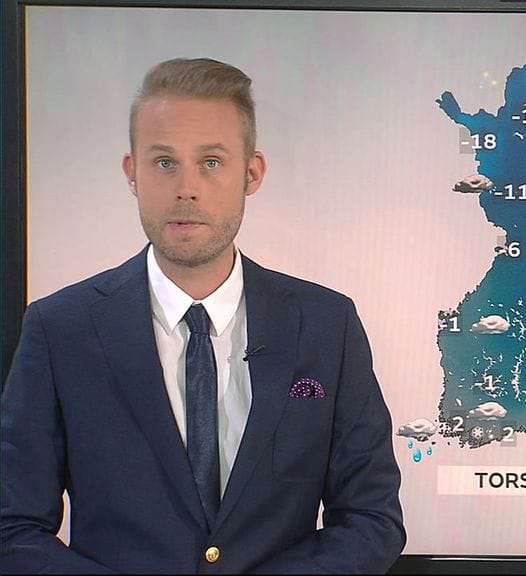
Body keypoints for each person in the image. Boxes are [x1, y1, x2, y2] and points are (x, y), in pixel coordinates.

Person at [0, 57, 406, 573]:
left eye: (211, 162)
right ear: (132, 173)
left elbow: (372, 520)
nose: (186, 188)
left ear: (251, 173)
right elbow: (12, 528)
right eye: (164, 162)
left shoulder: (327, 325)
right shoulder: (60, 329)